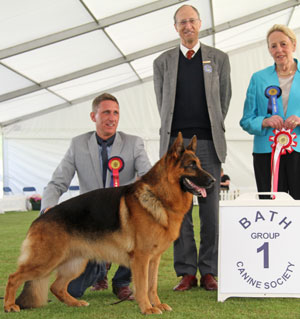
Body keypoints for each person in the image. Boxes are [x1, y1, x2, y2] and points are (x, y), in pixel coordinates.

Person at [41, 92, 152, 300]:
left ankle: (121, 282)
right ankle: (99, 272)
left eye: (116, 113)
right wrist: (47, 207)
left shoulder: (134, 143)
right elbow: (58, 182)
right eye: (106, 112)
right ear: (94, 117)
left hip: (123, 218)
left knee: (139, 232)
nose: (112, 118)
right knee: (73, 291)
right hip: (90, 220)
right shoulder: (78, 144)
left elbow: (148, 177)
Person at [153, 4, 231, 291]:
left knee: (209, 210)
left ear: (200, 24)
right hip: (175, 149)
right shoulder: (161, 63)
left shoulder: (219, 59)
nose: (187, 26)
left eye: (192, 21)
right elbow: (162, 104)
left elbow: (224, 99)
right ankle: (186, 271)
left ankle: (209, 271)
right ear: (176, 27)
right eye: (181, 22)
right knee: (178, 210)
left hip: (208, 144)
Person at [240, 24, 300, 200]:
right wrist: (264, 121)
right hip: (266, 153)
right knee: (271, 209)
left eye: (283, 44)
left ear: (294, 45)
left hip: (298, 151)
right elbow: (246, 120)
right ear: (269, 50)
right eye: (273, 46)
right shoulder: (258, 78)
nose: (279, 50)